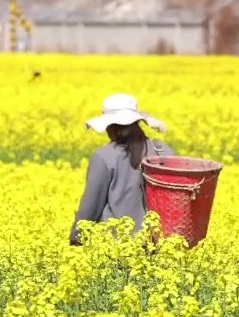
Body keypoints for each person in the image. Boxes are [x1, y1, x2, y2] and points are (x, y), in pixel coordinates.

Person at [70, 93, 176, 246]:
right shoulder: (164, 151)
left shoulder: (105, 156)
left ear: (111, 127)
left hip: (116, 246)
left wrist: (76, 238)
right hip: (160, 245)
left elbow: (91, 206)